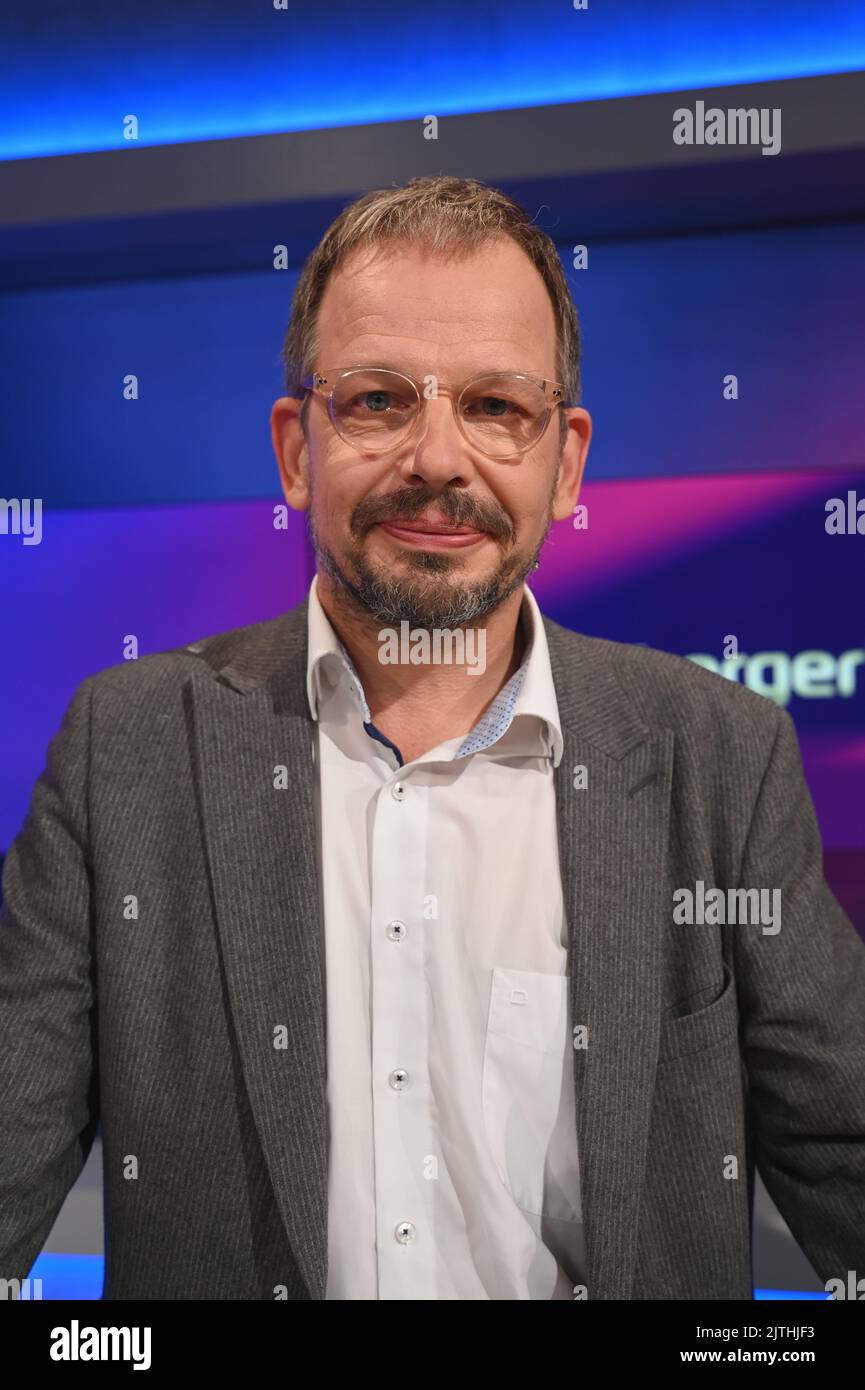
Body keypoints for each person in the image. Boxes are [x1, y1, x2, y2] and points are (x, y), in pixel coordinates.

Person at [1, 175, 863, 1301]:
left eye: (498, 405)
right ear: (296, 450)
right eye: (376, 400)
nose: (439, 460)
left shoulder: (719, 759)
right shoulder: (125, 751)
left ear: (566, 462)